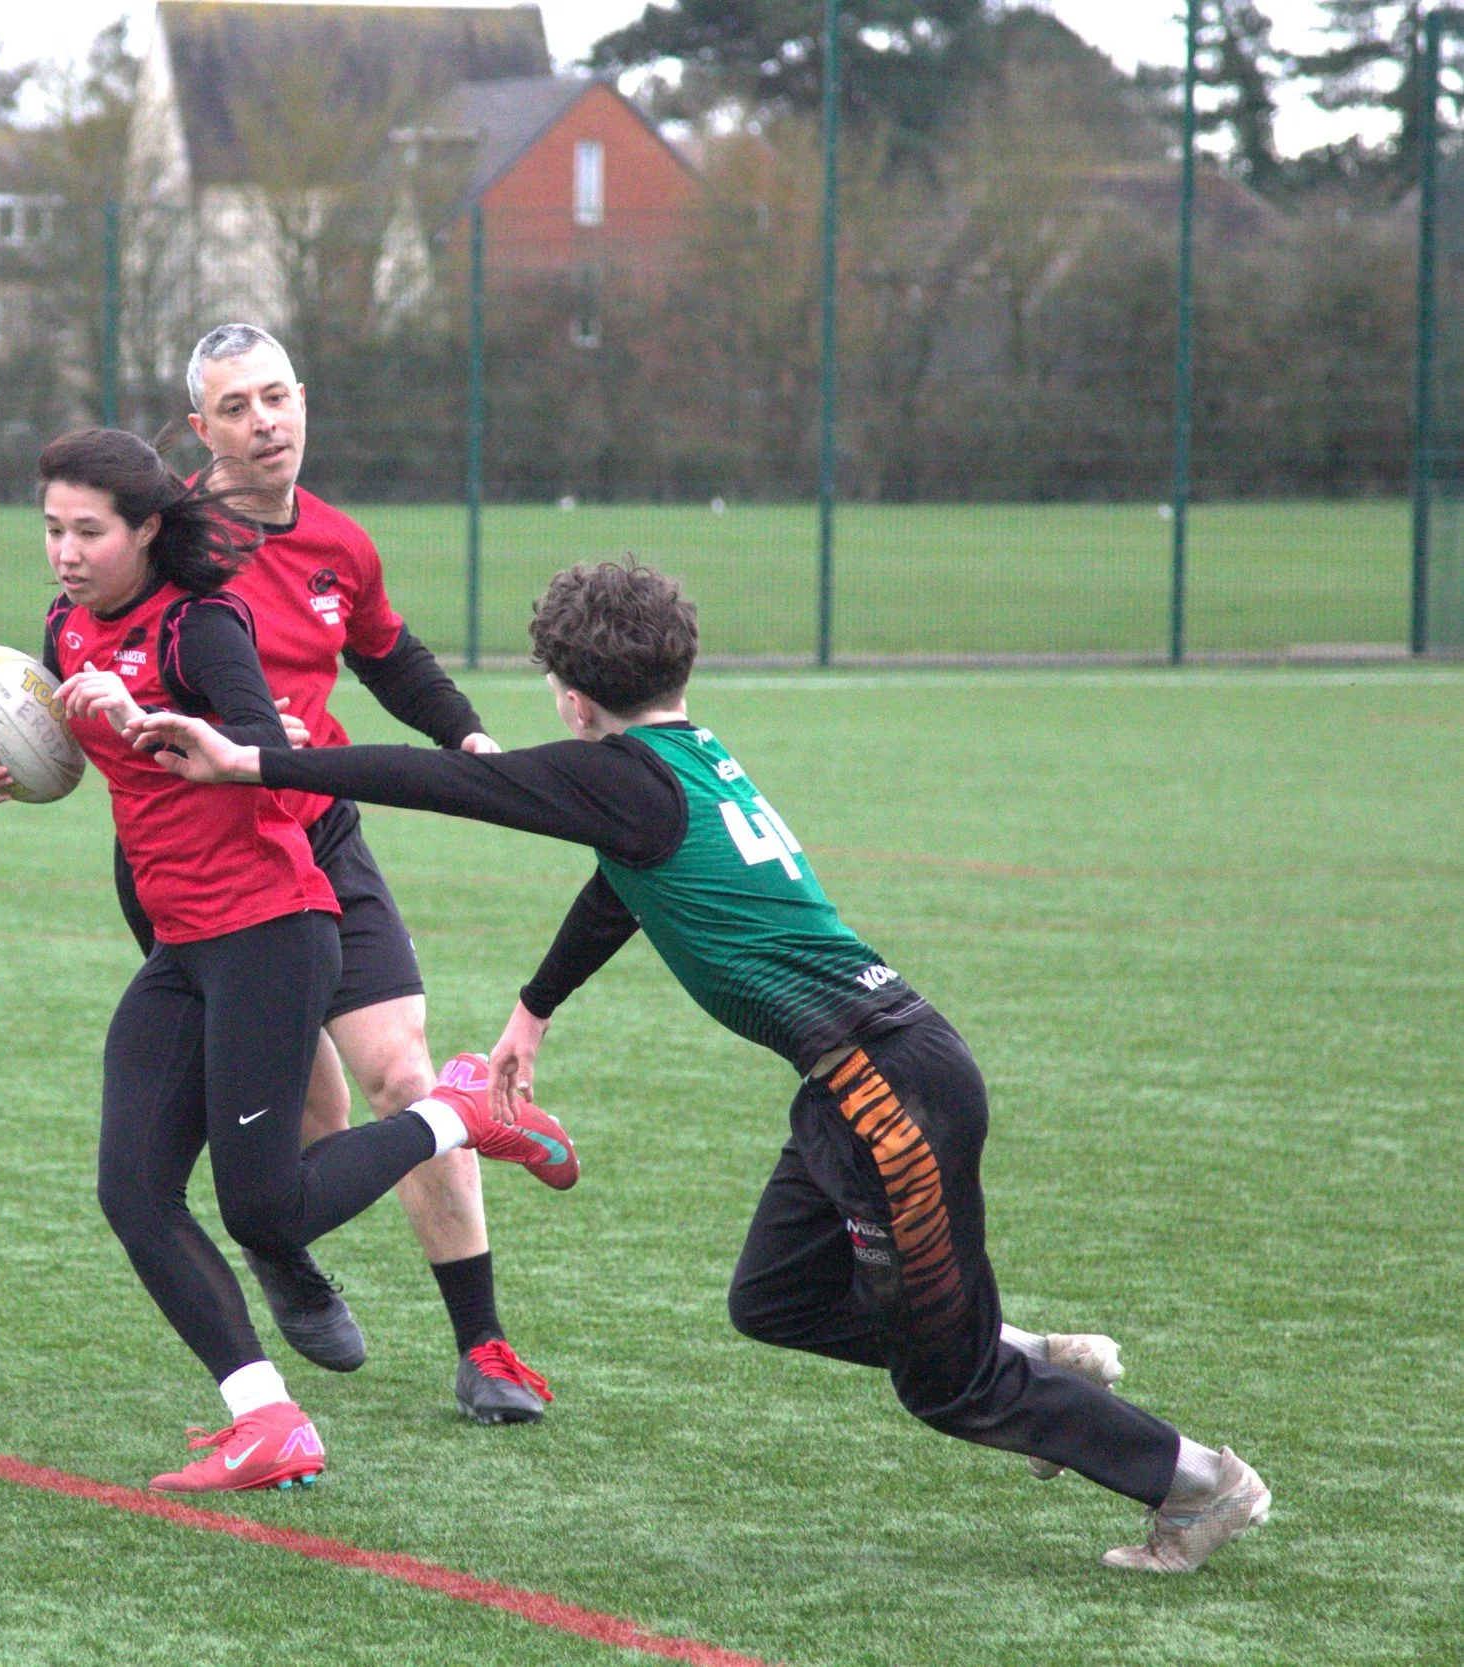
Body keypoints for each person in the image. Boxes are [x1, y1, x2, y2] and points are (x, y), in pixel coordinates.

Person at [132, 559, 1270, 1571]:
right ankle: (1020, 1346)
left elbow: (452, 783)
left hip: (887, 1088)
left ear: (570, 695)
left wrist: (252, 761)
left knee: (949, 1384)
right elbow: (620, 885)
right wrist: (533, 1006)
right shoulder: (684, 759)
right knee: (773, 1295)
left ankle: (1200, 1483)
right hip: (869, 1080)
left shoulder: (621, 776)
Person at [0, 428, 580, 1493]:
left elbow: (273, 765)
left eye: (89, 530)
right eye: (52, 529)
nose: (67, 551)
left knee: (263, 1209)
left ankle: (463, 1114)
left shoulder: (203, 624)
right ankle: (267, 1418)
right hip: (183, 943)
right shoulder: (66, 625)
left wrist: (145, 722)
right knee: (133, 1191)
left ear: (145, 528)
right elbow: (55, 741)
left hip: (273, 928)